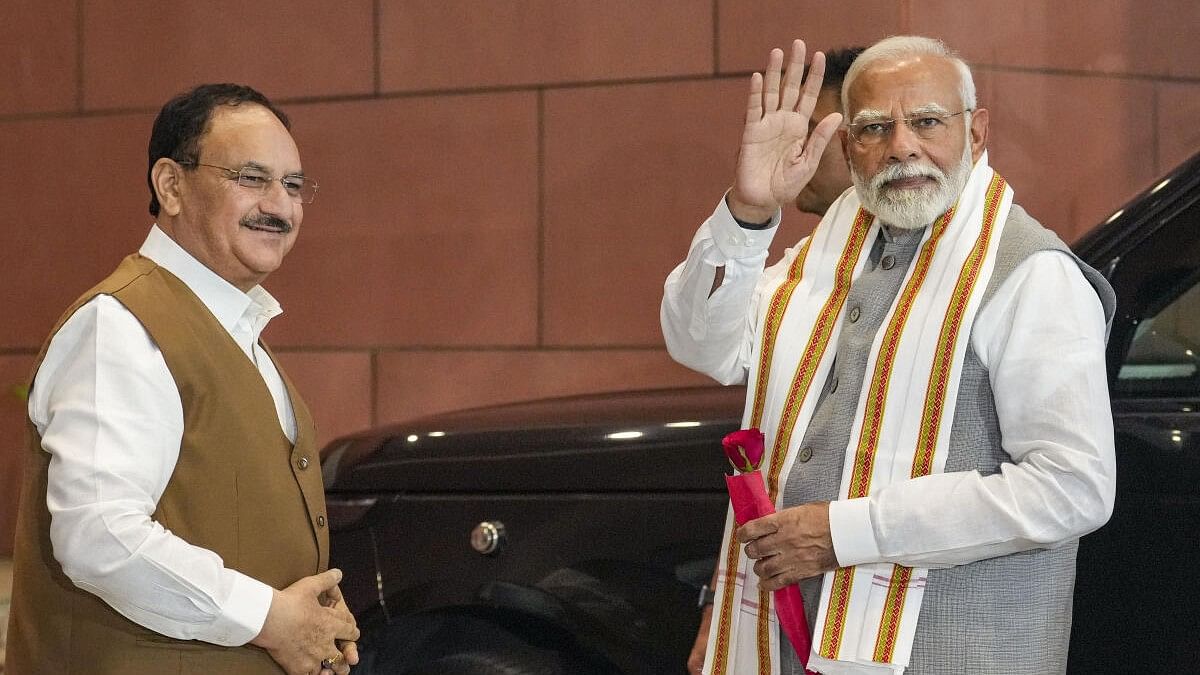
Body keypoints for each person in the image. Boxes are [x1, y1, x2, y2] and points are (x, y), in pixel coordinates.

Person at [662, 36, 1116, 675]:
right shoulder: (826, 255)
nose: (902, 145)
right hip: (793, 641)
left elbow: (1073, 488)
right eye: (875, 128)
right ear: (848, 148)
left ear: (977, 132)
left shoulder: (1032, 274)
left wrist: (845, 533)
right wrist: (749, 214)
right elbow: (702, 345)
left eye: (927, 121)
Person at [6, 84, 360, 675]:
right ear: (171, 185)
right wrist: (272, 617)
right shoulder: (118, 327)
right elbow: (99, 536)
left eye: (294, 186)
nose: (282, 206)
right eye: (252, 178)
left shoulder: (234, 327)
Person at [686, 45, 863, 674]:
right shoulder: (802, 271)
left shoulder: (987, 275)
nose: (797, 146)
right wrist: (751, 211)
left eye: (815, 128)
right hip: (778, 608)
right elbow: (700, 345)